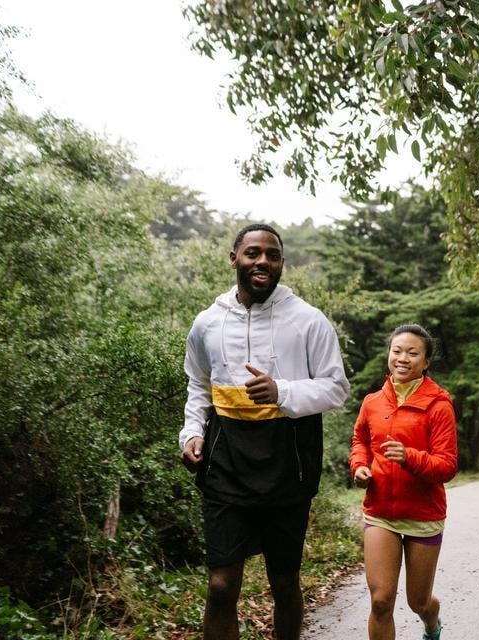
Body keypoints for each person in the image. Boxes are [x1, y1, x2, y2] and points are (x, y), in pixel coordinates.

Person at [179, 223, 350, 640]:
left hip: (287, 464)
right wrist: (191, 433)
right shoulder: (207, 323)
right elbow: (199, 385)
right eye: (253, 253)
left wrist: (282, 390)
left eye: (272, 255)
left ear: (281, 263)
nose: (263, 262)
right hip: (225, 464)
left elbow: (336, 387)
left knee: (284, 583)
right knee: (221, 586)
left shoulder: (308, 320)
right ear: (234, 257)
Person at [348, 324, 458, 640]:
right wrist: (359, 466)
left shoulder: (438, 404)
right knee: (381, 601)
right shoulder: (372, 402)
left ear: (426, 362)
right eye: (397, 351)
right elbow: (360, 441)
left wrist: (409, 456)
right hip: (380, 510)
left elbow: (447, 466)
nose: (403, 358)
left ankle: (431, 621)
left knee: (418, 601)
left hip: (423, 515)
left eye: (413, 353)